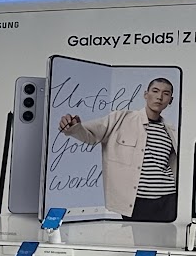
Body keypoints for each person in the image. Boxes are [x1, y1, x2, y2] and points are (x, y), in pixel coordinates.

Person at [56, 76, 179, 223]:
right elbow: (89, 135)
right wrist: (73, 127)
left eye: (166, 93)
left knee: (167, 237)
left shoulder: (171, 130)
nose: (159, 97)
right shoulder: (120, 119)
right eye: (155, 91)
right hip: (136, 201)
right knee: (138, 237)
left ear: (170, 100)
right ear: (146, 94)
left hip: (168, 199)